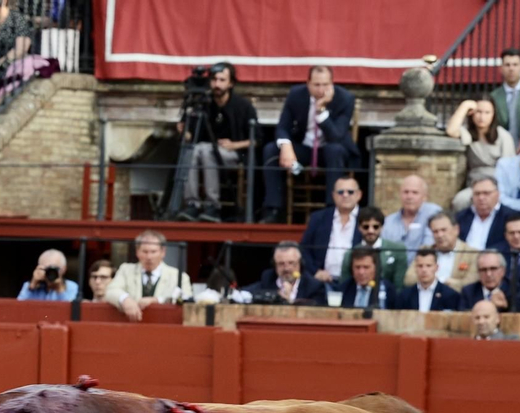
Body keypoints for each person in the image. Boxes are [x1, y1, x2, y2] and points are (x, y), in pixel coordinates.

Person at [259, 65, 357, 222]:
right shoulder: (296, 95)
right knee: (271, 149)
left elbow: (336, 136)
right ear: (308, 83)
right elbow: (283, 126)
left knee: (334, 150)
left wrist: (321, 110)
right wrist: (286, 146)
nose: (321, 90)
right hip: (304, 148)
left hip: (330, 150)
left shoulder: (345, 98)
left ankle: (331, 210)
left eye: (325, 85)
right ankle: (273, 209)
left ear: (332, 83)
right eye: (316, 85)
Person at [177, 61, 255, 222]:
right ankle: (193, 204)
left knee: (206, 151)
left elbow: (257, 139)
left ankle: (213, 205)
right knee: (194, 150)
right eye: (214, 80)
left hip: (233, 153)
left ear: (231, 83)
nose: (217, 84)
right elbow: (191, 136)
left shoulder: (243, 106)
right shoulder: (204, 103)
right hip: (205, 151)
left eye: (221, 80)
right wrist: (184, 131)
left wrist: (234, 145)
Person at [104, 229, 195, 318]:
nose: (149, 257)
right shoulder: (126, 270)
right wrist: (125, 299)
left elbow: (186, 299)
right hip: (131, 325)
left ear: (163, 252)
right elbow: (111, 290)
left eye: (153, 252)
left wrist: (157, 300)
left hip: (163, 327)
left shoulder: (179, 276)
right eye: (145, 251)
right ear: (137, 252)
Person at [448, 97, 515, 212]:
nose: (482, 117)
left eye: (487, 112)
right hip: (474, 185)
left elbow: (509, 169)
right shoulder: (468, 134)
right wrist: (465, 106)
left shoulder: (503, 136)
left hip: (497, 186)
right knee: (459, 201)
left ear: (493, 114)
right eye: (478, 112)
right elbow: (451, 130)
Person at [300, 172, 361, 284]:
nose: (345, 195)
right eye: (340, 192)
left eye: (350, 192)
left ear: (359, 195)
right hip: (323, 281)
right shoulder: (318, 218)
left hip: (356, 282)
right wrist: (316, 272)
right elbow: (304, 249)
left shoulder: (366, 219)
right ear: (333, 195)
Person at [405, 212, 479, 291]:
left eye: (443, 230)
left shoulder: (472, 254)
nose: (440, 235)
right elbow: (409, 279)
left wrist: (435, 281)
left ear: (456, 230)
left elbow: (471, 284)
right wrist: (440, 281)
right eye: (435, 231)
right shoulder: (425, 251)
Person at [341, 205, 408, 291]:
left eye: (375, 227)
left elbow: (399, 286)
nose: (370, 231)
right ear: (359, 228)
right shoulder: (350, 254)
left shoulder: (397, 250)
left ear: (382, 227)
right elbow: (345, 285)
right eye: (366, 227)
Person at [381, 174, 442, 259]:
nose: (409, 197)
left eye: (415, 192)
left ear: (424, 196)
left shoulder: (433, 213)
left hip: (422, 268)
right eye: (406, 192)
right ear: (400, 195)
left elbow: (429, 246)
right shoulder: (388, 221)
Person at [394, 248, 462, 311]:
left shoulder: (450, 295)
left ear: (436, 267)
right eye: (420, 266)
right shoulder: (405, 295)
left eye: (428, 266)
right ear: (415, 268)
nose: (424, 270)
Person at [457, 177, 511, 250]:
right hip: (464, 259)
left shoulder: (510, 216)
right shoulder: (461, 217)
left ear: (497, 194)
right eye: (477, 194)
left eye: (486, 193)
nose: (481, 197)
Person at [338, 247, 389, 312]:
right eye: (357, 267)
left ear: (376, 268)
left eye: (366, 267)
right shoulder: (344, 289)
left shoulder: (387, 289)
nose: (361, 272)